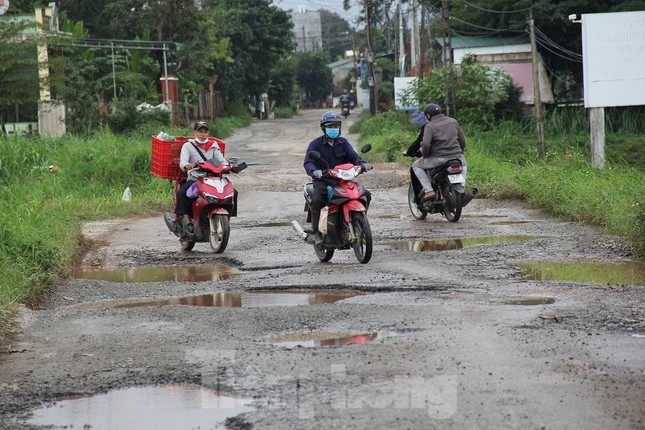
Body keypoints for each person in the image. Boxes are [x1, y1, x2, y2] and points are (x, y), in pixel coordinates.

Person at [303, 111, 372, 245]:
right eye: (330, 126)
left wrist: (362, 165)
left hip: (341, 180)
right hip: (323, 180)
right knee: (318, 199)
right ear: (323, 128)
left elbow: (354, 157)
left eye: (336, 126)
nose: (334, 129)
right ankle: (317, 233)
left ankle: (359, 220)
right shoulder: (315, 144)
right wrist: (315, 171)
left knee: (365, 195)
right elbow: (308, 163)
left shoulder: (343, 142)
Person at [174, 121, 228, 234]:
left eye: (205, 131)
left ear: (208, 133)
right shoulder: (188, 146)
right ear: (194, 132)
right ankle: (187, 221)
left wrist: (228, 166)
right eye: (200, 131)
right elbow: (183, 162)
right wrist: (186, 165)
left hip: (213, 179)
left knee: (232, 193)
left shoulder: (213, 145)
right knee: (182, 193)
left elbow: (221, 160)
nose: (203, 134)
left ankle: (226, 217)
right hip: (196, 179)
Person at [412, 103, 467, 201]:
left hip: (439, 159)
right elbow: (462, 140)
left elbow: (426, 145)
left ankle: (429, 190)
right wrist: (460, 152)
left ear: (429, 115)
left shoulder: (430, 126)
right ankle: (461, 186)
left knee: (416, 166)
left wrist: (425, 155)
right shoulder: (453, 121)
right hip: (457, 157)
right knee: (463, 165)